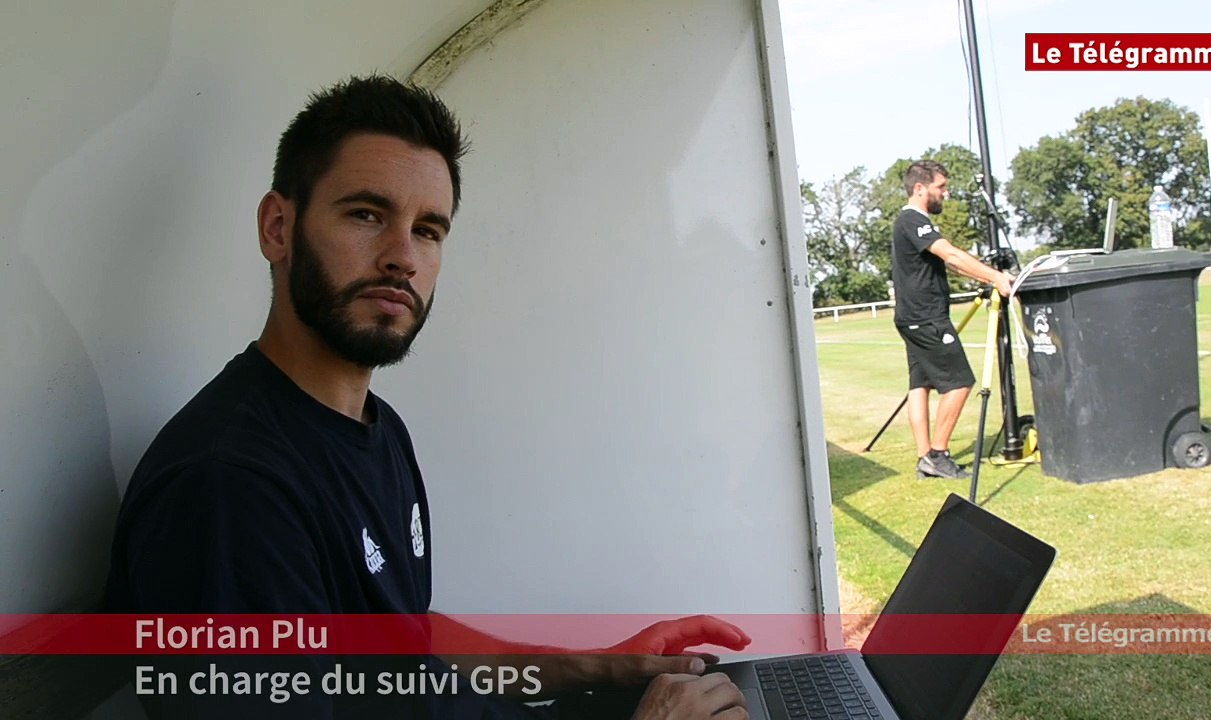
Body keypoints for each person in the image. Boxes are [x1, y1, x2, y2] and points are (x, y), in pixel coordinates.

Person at [103, 75, 749, 719]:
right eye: (367, 214)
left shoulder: (378, 431)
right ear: (278, 228)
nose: (402, 257)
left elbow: (404, 645)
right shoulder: (230, 487)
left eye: (428, 230)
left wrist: (593, 667)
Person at [890, 160, 1013, 480]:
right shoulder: (912, 220)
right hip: (926, 317)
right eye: (940, 187)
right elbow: (952, 255)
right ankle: (938, 454)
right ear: (920, 188)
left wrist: (986, 275)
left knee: (921, 385)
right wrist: (997, 277)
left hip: (912, 317)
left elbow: (954, 265)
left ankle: (924, 458)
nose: (946, 193)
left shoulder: (911, 223)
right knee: (959, 382)